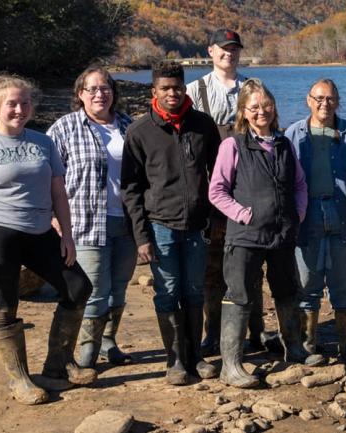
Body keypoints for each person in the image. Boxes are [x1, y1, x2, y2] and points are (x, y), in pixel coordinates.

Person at [0, 71, 95, 404]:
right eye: (12, 104)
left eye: (25, 103)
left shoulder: (43, 143)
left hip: (40, 231)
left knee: (78, 287)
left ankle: (57, 367)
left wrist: (68, 235)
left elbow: (59, 192)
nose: (20, 109)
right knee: (4, 306)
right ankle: (19, 380)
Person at [122, 61, 222, 385]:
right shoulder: (139, 132)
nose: (172, 93)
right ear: (154, 91)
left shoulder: (203, 125)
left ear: (185, 88)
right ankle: (175, 360)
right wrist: (141, 236)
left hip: (197, 226)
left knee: (194, 291)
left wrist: (216, 219)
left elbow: (218, 177)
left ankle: (196, 357)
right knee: (167, 293)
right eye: (165, 88)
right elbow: (131, 188)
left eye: (177, 87)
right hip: (160, 225)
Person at [209, 79, 310, 388]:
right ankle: (232, 365)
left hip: (282, 234)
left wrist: (298, 214)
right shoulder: (233, 144)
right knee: (239, 295)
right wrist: (243, 214)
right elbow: (217, 190)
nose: (261, 112)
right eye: (254, 107)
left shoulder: (284, 144)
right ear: (244, 111)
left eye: (266, 106)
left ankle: (293, 348)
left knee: (286, 290)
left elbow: (299, 185)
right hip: (245, 237)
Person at [46, 66, 136, 370]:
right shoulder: (64, 128)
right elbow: (46, 175)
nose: (100, 94)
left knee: (119, 288)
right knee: (95, 290)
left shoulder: (128, 125)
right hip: (84, 222)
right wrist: (52, 217)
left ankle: (109, 341)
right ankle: (88, 348)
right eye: (92, 89)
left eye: (106, 88)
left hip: (126, 221)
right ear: (80, 94)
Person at [287, 79, 346, 366]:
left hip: (345, 216)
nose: (324, 104)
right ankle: (309, 346)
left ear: (338, 101)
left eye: (330, 98)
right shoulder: (293, 134)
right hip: (307, 218)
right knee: (307, 284)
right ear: (308, 100)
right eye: (319, 98)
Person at [186, 28, 255, 356]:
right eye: (224, 48)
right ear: (210, 51)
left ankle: (255, 332)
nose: (230, 53)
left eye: (235, 48)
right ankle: (211, 334)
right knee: (212, 269)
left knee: (252, 263)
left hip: (248, 191)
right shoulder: (193, 91)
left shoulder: (253, 89)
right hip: (210, 195)